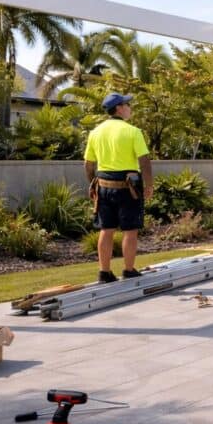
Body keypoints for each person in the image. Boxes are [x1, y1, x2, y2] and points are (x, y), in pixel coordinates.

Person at [84, 92, 154, 283]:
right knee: (130, 230)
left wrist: (92, 185)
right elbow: (144, 161)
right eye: (127, 105)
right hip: (128, 187)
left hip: (103, 185)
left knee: (106, 229)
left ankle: (104, 272)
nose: (130, 108)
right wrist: (149, 186)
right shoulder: (133, 131)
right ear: (119, 108)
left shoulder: (95, 132)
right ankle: (129, 270)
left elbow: (89, 164)